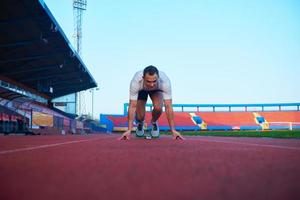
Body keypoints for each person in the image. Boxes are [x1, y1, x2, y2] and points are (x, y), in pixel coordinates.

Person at [119, 65, 185, 140]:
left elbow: (168, 106)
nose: (151, 84)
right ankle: (140, 123)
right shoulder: (135, 82)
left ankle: (154, 122)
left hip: (156, 90)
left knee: (158, 108)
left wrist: (173, 130)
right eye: (148, 81)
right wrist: (129, 130)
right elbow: (132, 106)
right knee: (140, 116)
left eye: (154, 81)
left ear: (158, 78)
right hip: (142, 90)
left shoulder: (165, 82)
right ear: (143, 78)